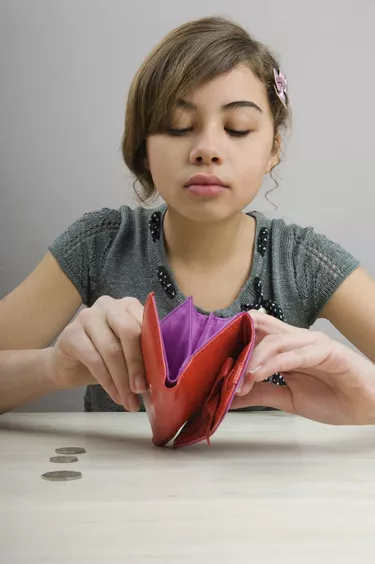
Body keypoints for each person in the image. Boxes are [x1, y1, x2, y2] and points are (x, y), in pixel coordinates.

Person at [0, 17, 374, 422]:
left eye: (237, 128)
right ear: (142, 148)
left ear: (273, 148)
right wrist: (56, 367)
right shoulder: (100, 244)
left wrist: (363, 390)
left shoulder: (303, 261)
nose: (207, 149)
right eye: (178, 127)